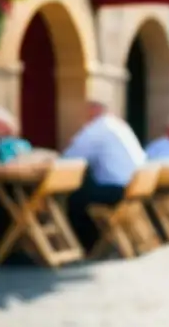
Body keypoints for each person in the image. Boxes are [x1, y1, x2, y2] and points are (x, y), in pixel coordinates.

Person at [63, 100, 147, 249]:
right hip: (136, 187)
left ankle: (85, 246)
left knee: (74, 198)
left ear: (93, 111)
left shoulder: (98, 127)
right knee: (84, 192)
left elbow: (71, 156)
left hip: (118, 189)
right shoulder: (121, 126)